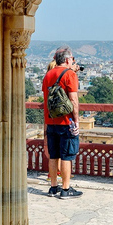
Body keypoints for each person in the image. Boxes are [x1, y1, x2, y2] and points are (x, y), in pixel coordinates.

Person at [42, 46, 83, 199]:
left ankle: (53, 187)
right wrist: (76, 120)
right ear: (67, 60)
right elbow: (73, 99)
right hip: (66, 121)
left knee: (54, 155)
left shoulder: (48, 75)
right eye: (72, 59)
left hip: (51, 120)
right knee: (66, 156)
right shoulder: (70, 74)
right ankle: (66, 189)